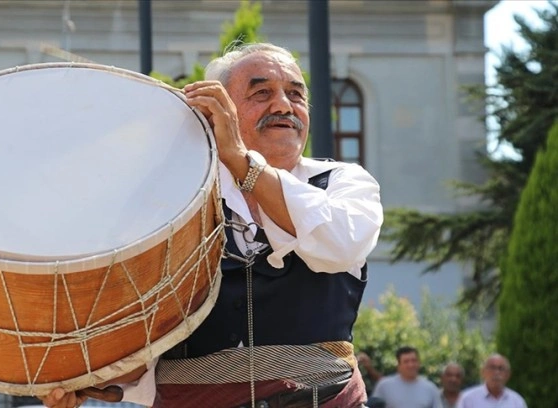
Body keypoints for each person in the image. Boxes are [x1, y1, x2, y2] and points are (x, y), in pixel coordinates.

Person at [40, 42, 383, 408]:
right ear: (217, 113)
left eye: (296, 94)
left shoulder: (343, 182)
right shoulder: (174, 200)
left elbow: (339, 244)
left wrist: (241, 161)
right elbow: (143, 331)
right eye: (261, 92)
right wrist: (94, 379)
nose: (284, 105)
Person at [371, 346, 442, 408]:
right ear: (399, 366)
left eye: (414, 361)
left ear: (419, 363)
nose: (410, 365)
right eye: (406, 361)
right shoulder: (384, 386)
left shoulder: (430, 389)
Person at [456, 354, 526, 408]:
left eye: (501, 368)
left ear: (508, 374)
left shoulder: (516, 401)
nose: (496, 372)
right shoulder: (467, 399)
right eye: (492, 368)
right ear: (483, 372)